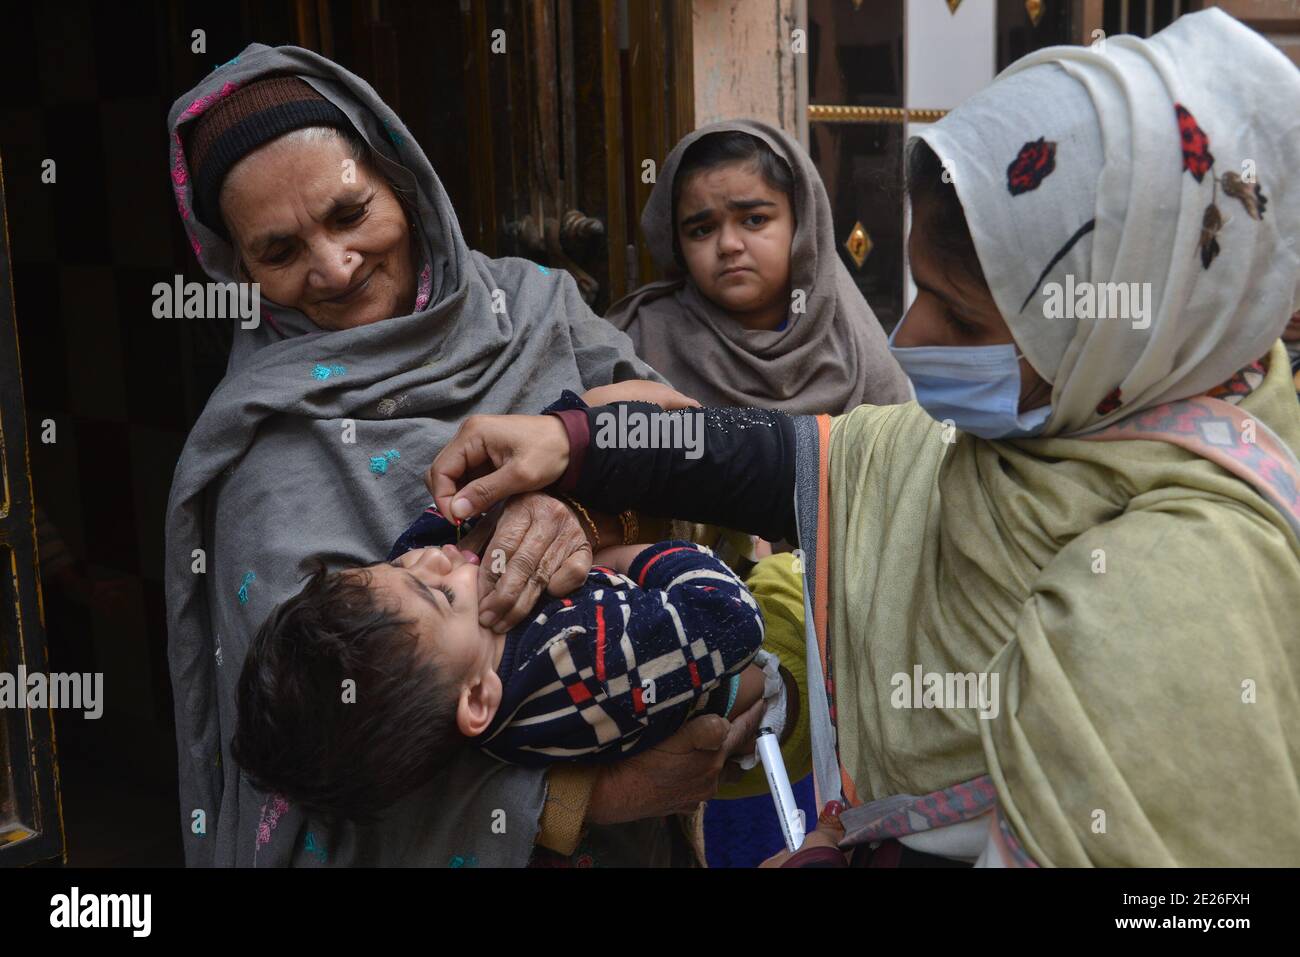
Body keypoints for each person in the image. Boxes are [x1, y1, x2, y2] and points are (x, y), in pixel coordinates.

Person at [425, 9, 1300, 866]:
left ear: (1114, 328)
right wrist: (574, 444)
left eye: (957, 314)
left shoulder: (1195, 577)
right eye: (918, 291)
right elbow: (800, 462)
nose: (907, 341)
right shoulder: (1064, 429)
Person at [164, 45, 763, 868]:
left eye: (348, 214)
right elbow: (320, 780)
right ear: (238, 269)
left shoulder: (531, 305)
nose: (333, 268)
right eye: (278, 252)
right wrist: (593, 797)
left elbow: (698, 444)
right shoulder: (262, 467)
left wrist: (578, 496)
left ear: (402, 181)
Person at [231, 503, 777, 822]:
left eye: (397, 565)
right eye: (441, 593)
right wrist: (634, 560)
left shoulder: (451, 676)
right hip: (752, 668)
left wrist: (442, 545)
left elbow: (435, 558)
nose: (438, 559)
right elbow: (733, 621)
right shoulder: (586, 657)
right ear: (476, 699)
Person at [606, 119, 909, 415]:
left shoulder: (858, 352)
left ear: (802, 224)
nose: (728, 244)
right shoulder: (641, 342)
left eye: (754, 220)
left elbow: (892, 458)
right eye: (702, 230)